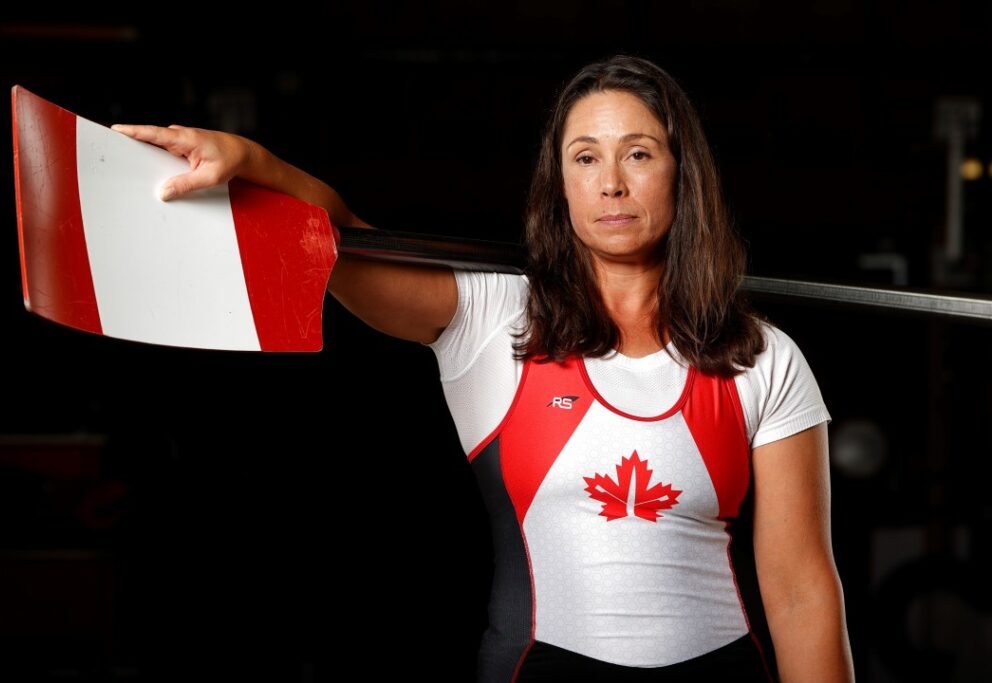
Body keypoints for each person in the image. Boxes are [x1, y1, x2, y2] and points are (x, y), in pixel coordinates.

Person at [112, 55, 854, 682]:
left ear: (680, 172)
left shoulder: (765, 357)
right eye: (585, 157)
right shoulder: (494, 318)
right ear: (560, 185)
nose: (611, 183)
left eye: (639, 152)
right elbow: (337, 241)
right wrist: (254, 165)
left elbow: (798, 589)